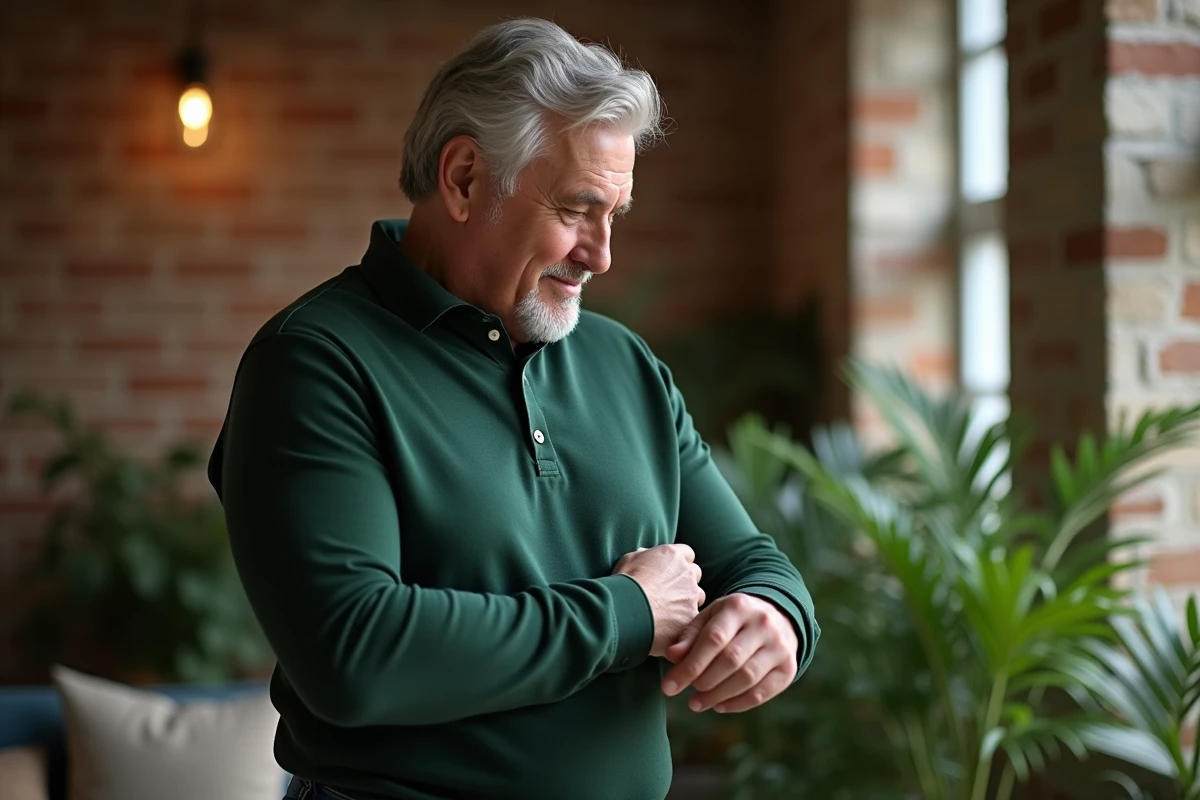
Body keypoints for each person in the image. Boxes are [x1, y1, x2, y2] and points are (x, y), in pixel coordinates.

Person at [208, 17, 819, 800]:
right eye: (576, 209)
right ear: (463, 178)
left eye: (614, 216)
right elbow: (355, 655)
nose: (601, 254)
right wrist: (626, 613)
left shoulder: (623, 363)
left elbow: (755, 564)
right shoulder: (314, 361)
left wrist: (777, 619)